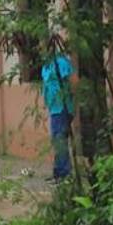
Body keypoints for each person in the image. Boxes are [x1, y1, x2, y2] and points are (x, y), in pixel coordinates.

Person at [41, 49, 76, 181]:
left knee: (60, 139)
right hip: (54, 109)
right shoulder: (46, 65)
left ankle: (65, 173)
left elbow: (72, 81)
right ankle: (58, 172)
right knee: (56, 141)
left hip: (62, 107)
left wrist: (70, 102)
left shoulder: (61, 62)